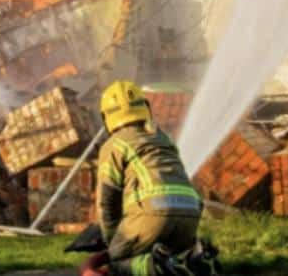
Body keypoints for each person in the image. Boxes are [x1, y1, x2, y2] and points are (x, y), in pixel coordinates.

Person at [85, 80, 204, 276]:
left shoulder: (114, 145)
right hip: (190, 212)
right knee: (174, 259)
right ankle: (199, 261)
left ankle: (155, 267)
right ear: (145, 108)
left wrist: (112, 240)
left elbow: (107, 201)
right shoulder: (163, 138)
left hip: (153, 214)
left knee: (119, 263)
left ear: (106, 116)